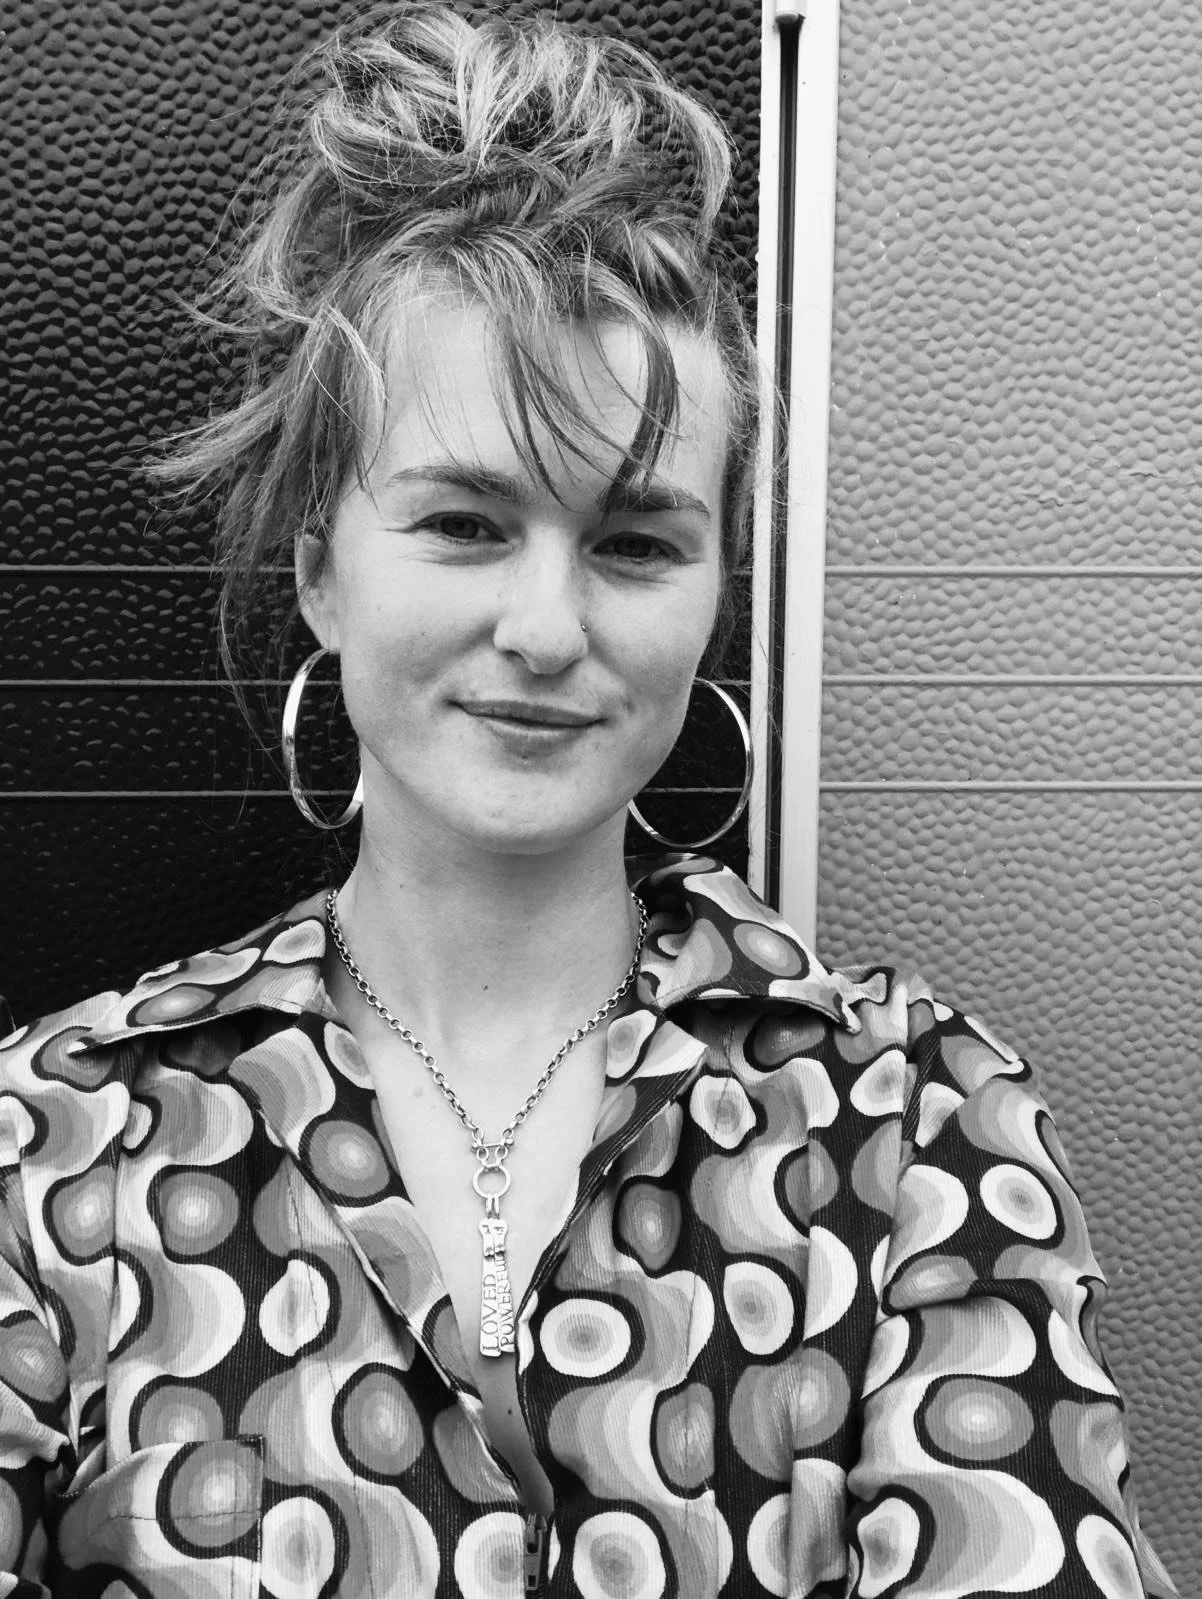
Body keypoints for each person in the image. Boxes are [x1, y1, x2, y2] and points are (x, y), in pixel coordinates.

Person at [0, 6, 1179, 1596]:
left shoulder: (911, 1125)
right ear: (318, 570)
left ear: (711, 598)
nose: (547, 629)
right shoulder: (59, 1139)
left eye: (632, 542)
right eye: (466, 523)